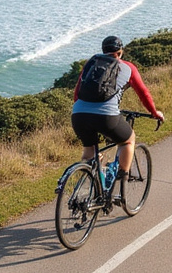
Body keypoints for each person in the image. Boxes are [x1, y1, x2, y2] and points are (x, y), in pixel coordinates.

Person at [70, 35, 164, 198]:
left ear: (103, 50)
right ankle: (122, 176)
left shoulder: (91, 64)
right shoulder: (128, 67)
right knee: (128, 140)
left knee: (89, 152)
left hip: (78, 114)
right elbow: (143, 93)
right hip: (107, 116)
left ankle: (83, 193)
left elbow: (77, 95)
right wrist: (154, 112)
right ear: (120, 52)